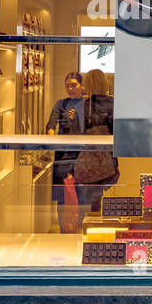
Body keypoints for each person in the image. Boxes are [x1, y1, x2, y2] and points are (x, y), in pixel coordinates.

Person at [72, 69, 120, 223]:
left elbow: (75, 136)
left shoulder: (82, 107)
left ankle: (87, 231)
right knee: (97, 201)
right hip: (107, 163)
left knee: (86, 203)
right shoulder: (113, 104)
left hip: (86, 163)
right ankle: (97, 231)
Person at [46, 71, 85, 230]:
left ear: (81, 85)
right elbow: (50, 125)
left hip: (82, 154)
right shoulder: (60, 104)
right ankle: (65, 228)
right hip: (62, 155)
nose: (70, 89)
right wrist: (52, 137)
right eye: (67, 86)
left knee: (81, 193)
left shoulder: (87, 104)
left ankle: (81, 226)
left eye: (74, 85)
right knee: (63, 194)